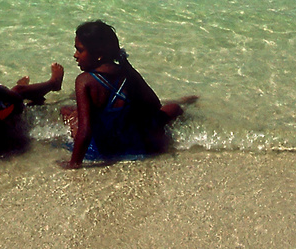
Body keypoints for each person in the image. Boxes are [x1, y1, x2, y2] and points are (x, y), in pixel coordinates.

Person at [61, 20, 197, 168]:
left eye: (79, 50)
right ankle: (186, 104)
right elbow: (154, 105)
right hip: (136, 147)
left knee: (67, 112)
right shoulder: (128, 74)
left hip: (103, 151)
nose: (75, 55)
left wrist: (74, 163)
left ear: (98, 54)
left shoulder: (84, 81)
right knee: (173, 108)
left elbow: (85, 131)